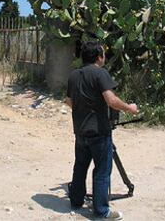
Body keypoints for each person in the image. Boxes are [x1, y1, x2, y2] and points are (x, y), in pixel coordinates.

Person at [65, 41, 138, 220]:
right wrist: (130, 108)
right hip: (99, 131)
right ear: (99, 57)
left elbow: (68, 101)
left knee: (80, 166)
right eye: (103, 54)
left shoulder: (73, 75)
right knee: (102, 171)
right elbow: (111, 101)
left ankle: (76, 200)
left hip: (80, 130)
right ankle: (101, 211)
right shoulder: (101, 73)